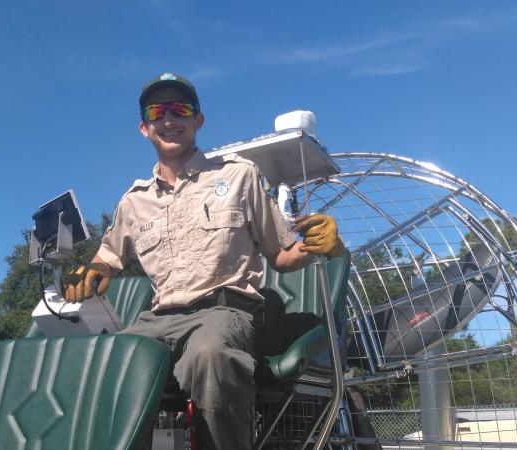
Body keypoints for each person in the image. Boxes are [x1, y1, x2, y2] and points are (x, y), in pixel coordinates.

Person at [64, 72, 344, 450]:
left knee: (211, 356)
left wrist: (319, 246)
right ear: (144, 127)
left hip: (226, 312)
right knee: (97, 363)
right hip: (158, 320)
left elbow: (280, 254)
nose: (168, 119)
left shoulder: (239, 175)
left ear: (198, 120)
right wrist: (92, 270)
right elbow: (106, 259)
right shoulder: (133, 201)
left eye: (180, 109)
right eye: (157, 111)